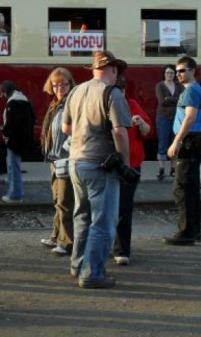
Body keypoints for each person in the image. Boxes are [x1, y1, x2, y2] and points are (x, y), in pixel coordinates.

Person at [62, 51, 131, 289]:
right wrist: (125, 162)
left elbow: (66, 127)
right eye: (117, 71)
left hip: (76, 162)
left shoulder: (76, 91)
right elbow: (120, 132)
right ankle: (92, 274)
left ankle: (77, 266)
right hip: (100, 164)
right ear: (112, 69)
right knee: (103, 221)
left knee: (81, 216)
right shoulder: (112, 93)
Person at [163, 56, 201, 246]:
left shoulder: (190, 91)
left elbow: (189, 118)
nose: (177, 74)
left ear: (192, 70)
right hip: (196, 140)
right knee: (192, 188)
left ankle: (185, 233)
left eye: (181, 71)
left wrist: (176, 141)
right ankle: (194, 231)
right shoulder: (198, 90)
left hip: (189, 142)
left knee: (181, 188)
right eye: (176, 71)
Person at [112, 75, 151, 266]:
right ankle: (108, 245)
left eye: (122, 92)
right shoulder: (104, 104)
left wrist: (141, 124)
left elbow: (147, 131)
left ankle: (121, 250)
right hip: (109, 163)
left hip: (131, 163)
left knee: (123, 208)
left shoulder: (133, 105)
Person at [40, 67, 76, 256]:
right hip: (55, 160)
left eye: (63, 84)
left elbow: (78, 129)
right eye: (55, 84)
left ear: (70, 84)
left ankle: (67, 242)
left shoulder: (72, 103)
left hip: (66, 159)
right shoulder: (56, 104)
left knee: (64, 202)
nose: (59, 87)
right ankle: (56, 235)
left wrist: (68, 150)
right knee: (57, 200)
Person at [0, 80, 35, 203]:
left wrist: (4, 132)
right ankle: (17, 192)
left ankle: (14, 195)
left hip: (14, 140)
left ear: (6, 91)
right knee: (16, 167)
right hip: (23, 138)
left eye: (3, 92)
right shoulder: (25, 100)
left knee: (12, 167)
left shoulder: (13, 103)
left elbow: (10, 123)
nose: (3, 96)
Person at [155, 65, 183, 181]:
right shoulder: (160, 85)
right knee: (163, 142)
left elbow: (182, 99)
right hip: (163, 117)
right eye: (167, 73)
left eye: (171, 73)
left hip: (176, 118)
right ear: (164, 74)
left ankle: (173, 169)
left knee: (174, 142)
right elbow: (162, 101)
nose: (169, 75)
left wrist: (169, 99)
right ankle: (161, 169)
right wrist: (174, 100)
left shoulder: (179, 86)